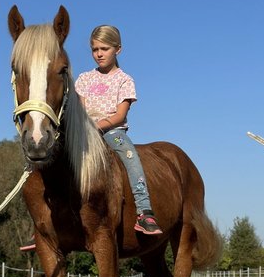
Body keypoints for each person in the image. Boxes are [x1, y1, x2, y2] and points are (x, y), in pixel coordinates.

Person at [20, 23, 162, 251]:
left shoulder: (124, 80)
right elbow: (80, 109)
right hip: (85, 133)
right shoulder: (85, 79)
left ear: (118, 50)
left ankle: (144, 211)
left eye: (104, 49)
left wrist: (97, 126)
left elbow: (120, 115)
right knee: (50, 164)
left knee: (131, 158)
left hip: (113, 132)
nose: (99, 54)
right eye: (95, 49)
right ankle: (41, 226)